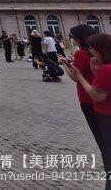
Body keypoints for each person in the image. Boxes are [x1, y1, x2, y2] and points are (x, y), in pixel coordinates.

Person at [64, 34, 111, 185]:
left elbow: (97, 95)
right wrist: (95, 71)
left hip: (106, 116)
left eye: (93, 50)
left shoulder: (107, 69)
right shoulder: (104, 68)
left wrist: (80, 76)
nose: (91, 53)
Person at [62, 24, 101, 157]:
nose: (71, 39)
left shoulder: (80, 53)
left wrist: (66, 65)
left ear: (79, 38)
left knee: (100, 136)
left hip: (87, 97)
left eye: (72, 37)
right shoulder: (100, 52)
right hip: (103, 95)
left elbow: (75, 77)